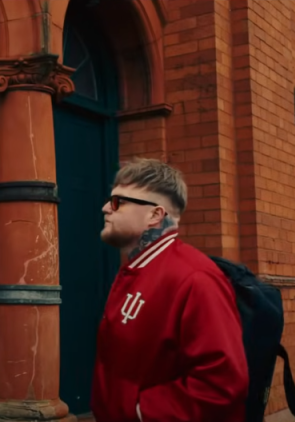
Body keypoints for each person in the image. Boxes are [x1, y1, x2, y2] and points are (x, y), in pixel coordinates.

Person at [90, 158, 248, 422]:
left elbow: (222, 383)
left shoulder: (195, 278)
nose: (106, 208)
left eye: (118, 202)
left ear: (155, 215)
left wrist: (137, 412)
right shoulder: (139, 269)